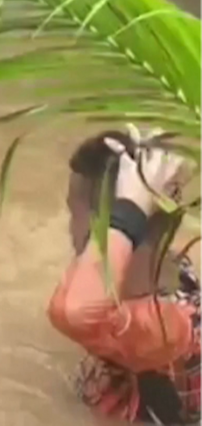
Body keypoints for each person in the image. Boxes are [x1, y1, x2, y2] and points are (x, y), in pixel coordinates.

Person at [48, 127, 199, 424]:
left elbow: (76, 313)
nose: (70, 230)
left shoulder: (167, 328)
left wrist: (128, 211)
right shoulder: (173, 273)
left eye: (74, 214)